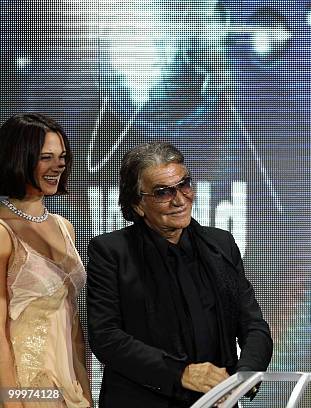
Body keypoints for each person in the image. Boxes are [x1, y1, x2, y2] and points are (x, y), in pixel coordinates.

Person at [87, 142, 273, 408]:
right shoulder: (112, 252)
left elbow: (253, 324)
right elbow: (106, 336)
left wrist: (243, 377)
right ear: (138, 204)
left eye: (184, 185)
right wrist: (181, 373)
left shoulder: (220, 244)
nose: (179, 200)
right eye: (163, 192)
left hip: (218, 400)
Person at [0, 113, 92, 408]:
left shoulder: (65, 227)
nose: (59, 165)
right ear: (19, 158)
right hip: (27, 389)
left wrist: (86, 389)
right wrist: (11, 401)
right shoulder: (2, 231)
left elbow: (73, 323)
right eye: (46, 157)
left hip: (68, 387)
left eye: (62, 156)